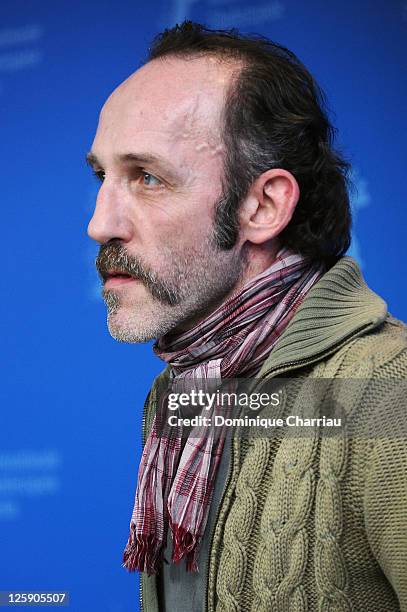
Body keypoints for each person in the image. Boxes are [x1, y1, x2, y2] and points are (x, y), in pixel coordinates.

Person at [86, 21, 407, 612]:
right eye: (103, 176)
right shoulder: (180, 398)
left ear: (261, 206)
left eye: (147, 178)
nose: (100, 224)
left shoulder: (390, 393)